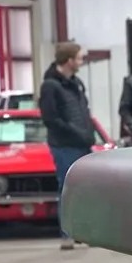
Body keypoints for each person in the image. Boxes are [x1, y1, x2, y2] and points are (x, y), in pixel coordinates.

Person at [40, 40, 96, 251]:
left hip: (82, 144)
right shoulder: (50, 86)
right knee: (67, 188)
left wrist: (88, 133)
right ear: (69, 60)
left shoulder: (76, 83)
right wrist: (77, 132)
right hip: (64, 145)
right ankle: (67, 234)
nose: (81, 61)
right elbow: (51, 119)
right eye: (79, 58)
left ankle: (83, 231)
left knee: (85, 190)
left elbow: (84, 112)